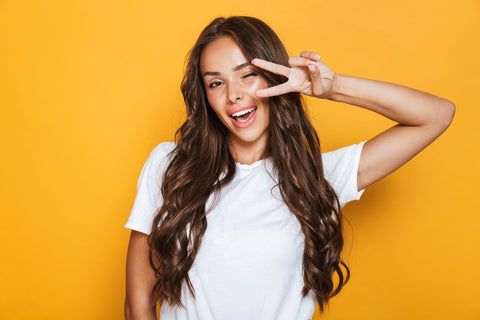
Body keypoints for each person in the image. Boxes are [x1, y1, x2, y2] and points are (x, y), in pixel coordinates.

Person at [123, 16, 455, 320]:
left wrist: (332, 87)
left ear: (274, 76)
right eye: (216, 83)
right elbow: (138, 304)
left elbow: (436, 115)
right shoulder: (171, 166)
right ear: (205, 96)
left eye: (247, 75)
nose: (234, 95)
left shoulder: (315, 178)